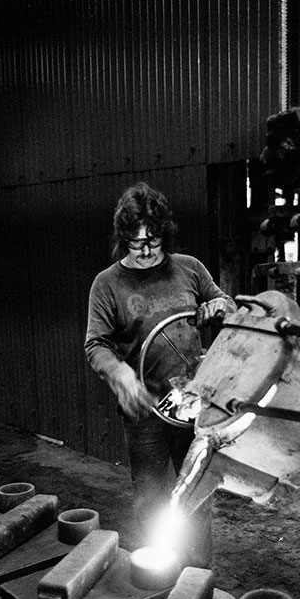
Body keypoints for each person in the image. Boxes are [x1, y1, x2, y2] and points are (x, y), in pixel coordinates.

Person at [85, 182, 236, 566]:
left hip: (193, 407)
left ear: (164, 233)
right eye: (137, 243)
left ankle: (198, 576)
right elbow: (95, 345)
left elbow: (226, 302)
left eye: (154, 239)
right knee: (152, 500)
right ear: (123, 240)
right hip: (145, 411)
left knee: (196, 496)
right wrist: (118, 373)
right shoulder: (107, 285)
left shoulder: (189, 268)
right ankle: (157, 578)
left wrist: (219, 304)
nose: (148, 250)